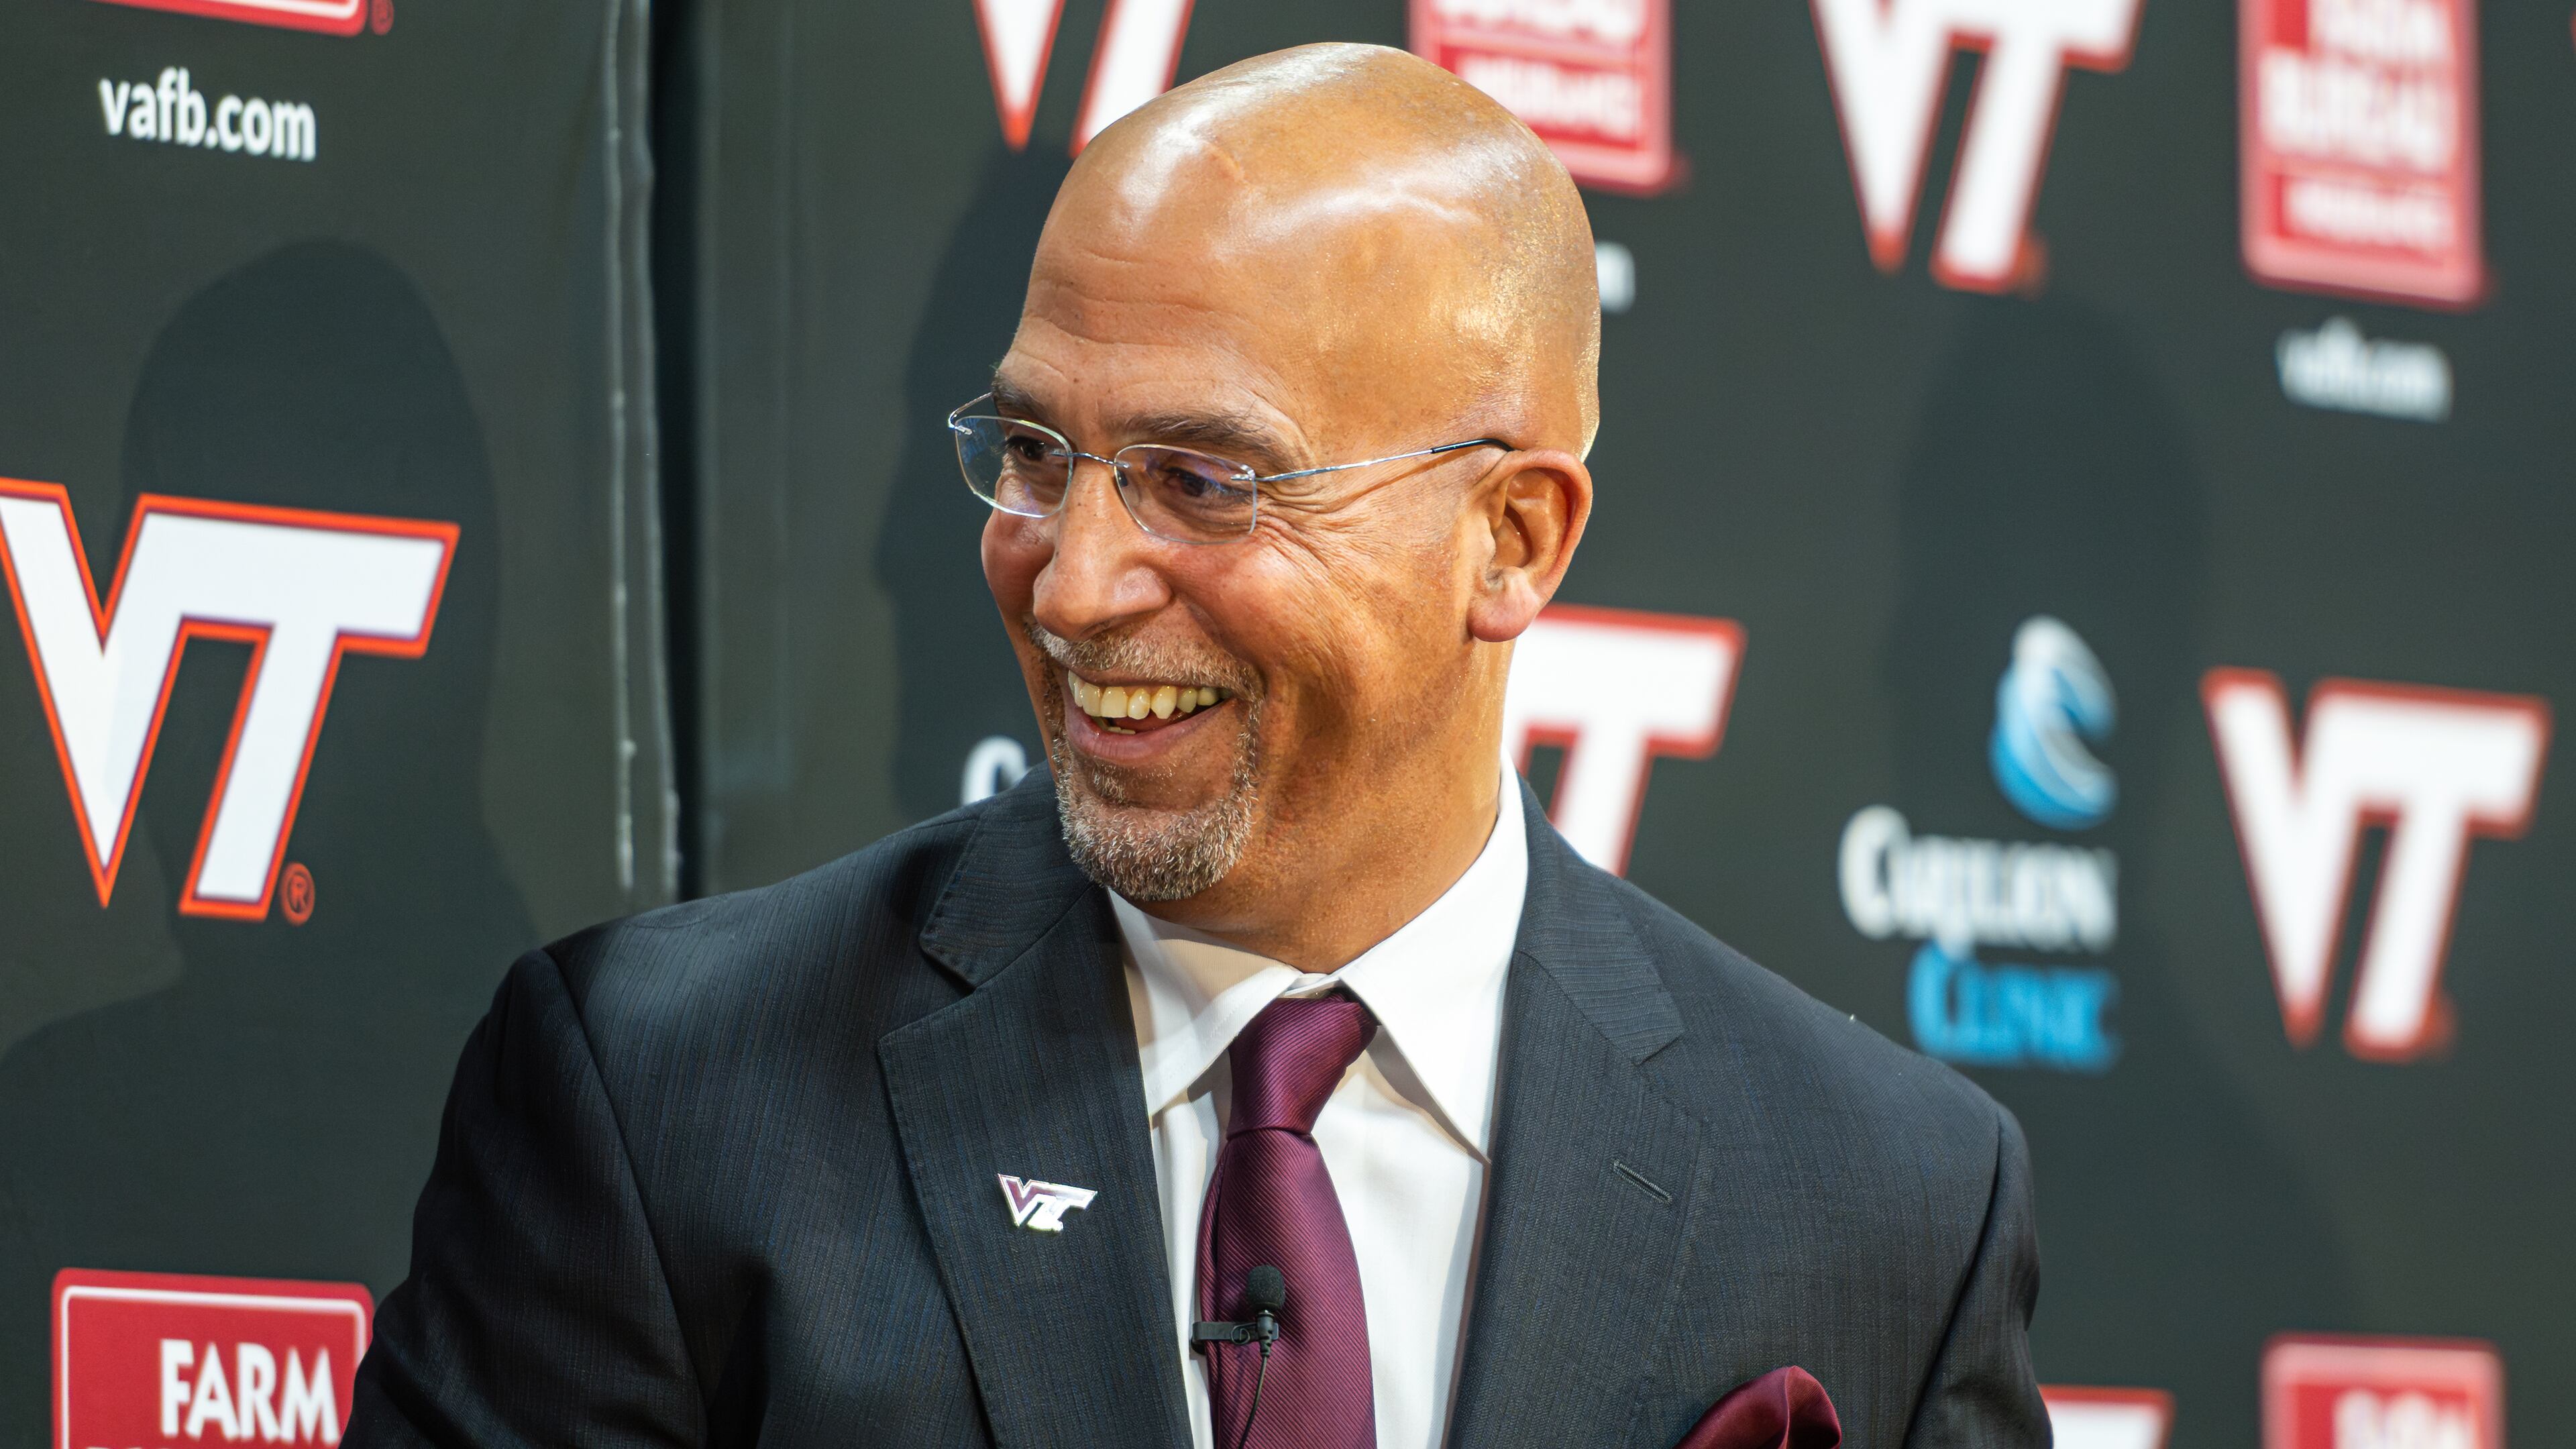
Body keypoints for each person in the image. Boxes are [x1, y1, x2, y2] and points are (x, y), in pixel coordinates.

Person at [348, 43, 2044, 1449]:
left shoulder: (1888, 1203)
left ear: (1512, 540)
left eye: (1204, 479)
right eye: (1034, 449)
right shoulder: (659, 1100)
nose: (1073, 581)